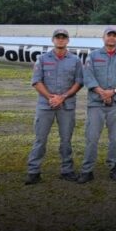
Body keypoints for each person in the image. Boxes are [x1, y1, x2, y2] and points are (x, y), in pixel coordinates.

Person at [24, 28, 84, 185]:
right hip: (46, 105)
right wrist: (50, 97)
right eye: (58, 37)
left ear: (68, 41)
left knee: (66, 140)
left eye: (64, 37)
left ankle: (67, 170)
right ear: (53, 40)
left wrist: (63, 97)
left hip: (67, 106)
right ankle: (33, 171)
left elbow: (79, 82)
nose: (61, 40)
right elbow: (36, 81)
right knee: (40, 139)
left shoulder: (75, 60)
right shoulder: (42, 59)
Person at [77, 27, 116, 184]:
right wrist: (102, 92)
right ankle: (87, 170)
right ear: (103, 38)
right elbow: (87, 76)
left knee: (115, 138)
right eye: (109, 35)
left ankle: (114, 167)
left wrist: (112, 92)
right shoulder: (93, 56)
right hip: (96, 103)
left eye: (115, 36)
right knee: (92, 137)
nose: (112, 38)